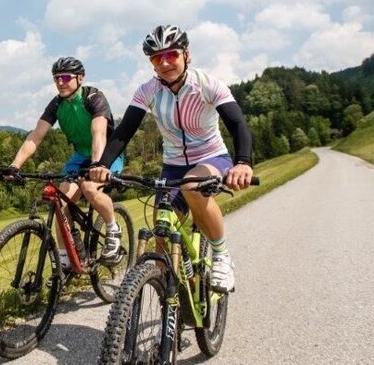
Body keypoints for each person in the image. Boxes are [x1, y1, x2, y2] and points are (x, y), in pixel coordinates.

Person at [88, 25, 254, 292]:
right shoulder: (148, 91)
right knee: (162, 236)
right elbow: (124, 131)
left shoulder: (207, 84)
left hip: (212, 157)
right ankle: (176, 296)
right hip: (173, 165)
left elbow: (237, 124)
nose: (165, 63)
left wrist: (243, 162)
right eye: (157, 58)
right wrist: (102, 165)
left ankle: (221, 255)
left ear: (186, 55)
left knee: (192, 186)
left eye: (171, 55)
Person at [0, 56, 125, 266]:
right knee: (59, 202)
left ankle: (113, 228)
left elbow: (99, 134)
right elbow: (35, 136)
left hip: (106, 153)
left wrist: (96, 165)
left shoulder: (94, 97)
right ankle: (66, 260)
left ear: (80, 78)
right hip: (80, 155)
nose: (60, 82)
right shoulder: (57, 104)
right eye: (56, 78)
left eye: (66, 77)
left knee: (90, 188)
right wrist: (15, 165)